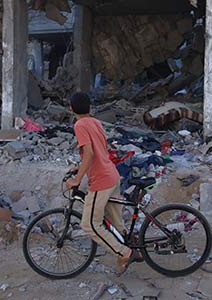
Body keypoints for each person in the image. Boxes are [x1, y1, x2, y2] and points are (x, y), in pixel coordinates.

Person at [64, 92, 142, 275]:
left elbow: (90, 154)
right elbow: (99, 151)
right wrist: (79, 168)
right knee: (115, 222)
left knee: (90, 224)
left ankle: (126, 253)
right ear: (90, 108)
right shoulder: (95, 122)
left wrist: (77, 180)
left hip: (101, 181)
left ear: (71, 109)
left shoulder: (80, 124)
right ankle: (132, 248)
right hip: (112, 175)